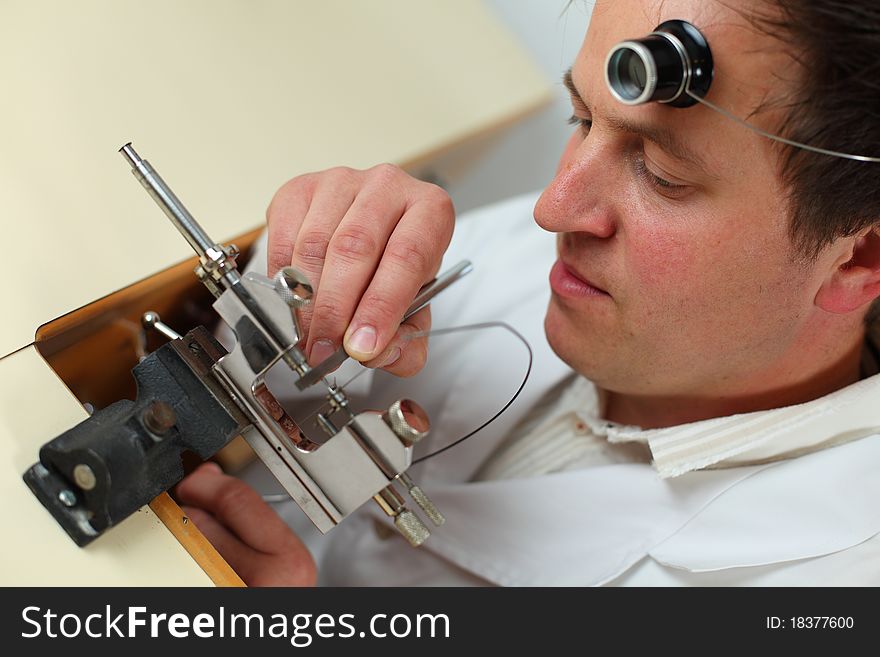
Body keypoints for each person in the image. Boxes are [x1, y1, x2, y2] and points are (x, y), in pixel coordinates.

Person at [176, 0, 880, 586]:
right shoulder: (591, 267)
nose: (553, 206)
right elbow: (284, 385)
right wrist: (316, 264)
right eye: (581, 120)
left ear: (860, 258)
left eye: (663, 174)